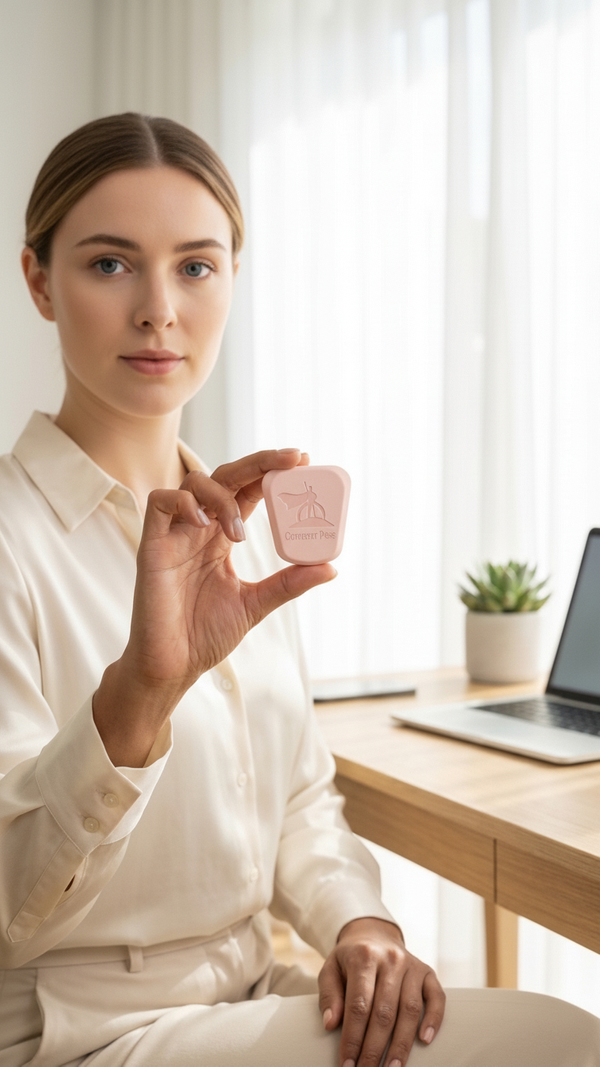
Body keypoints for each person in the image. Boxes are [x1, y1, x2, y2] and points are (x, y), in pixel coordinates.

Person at [0, 112, 598, 1067]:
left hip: (251, 995)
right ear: (38, 279)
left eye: (195, 265)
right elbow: (10, 912)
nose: (159, 308)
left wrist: (362, 925)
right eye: (110, 264)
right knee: (562, 1041)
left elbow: (298, 803)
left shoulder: (235, 529)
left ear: (232, 278)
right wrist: (141, 693)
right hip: (83, 1034)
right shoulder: (10, 539)